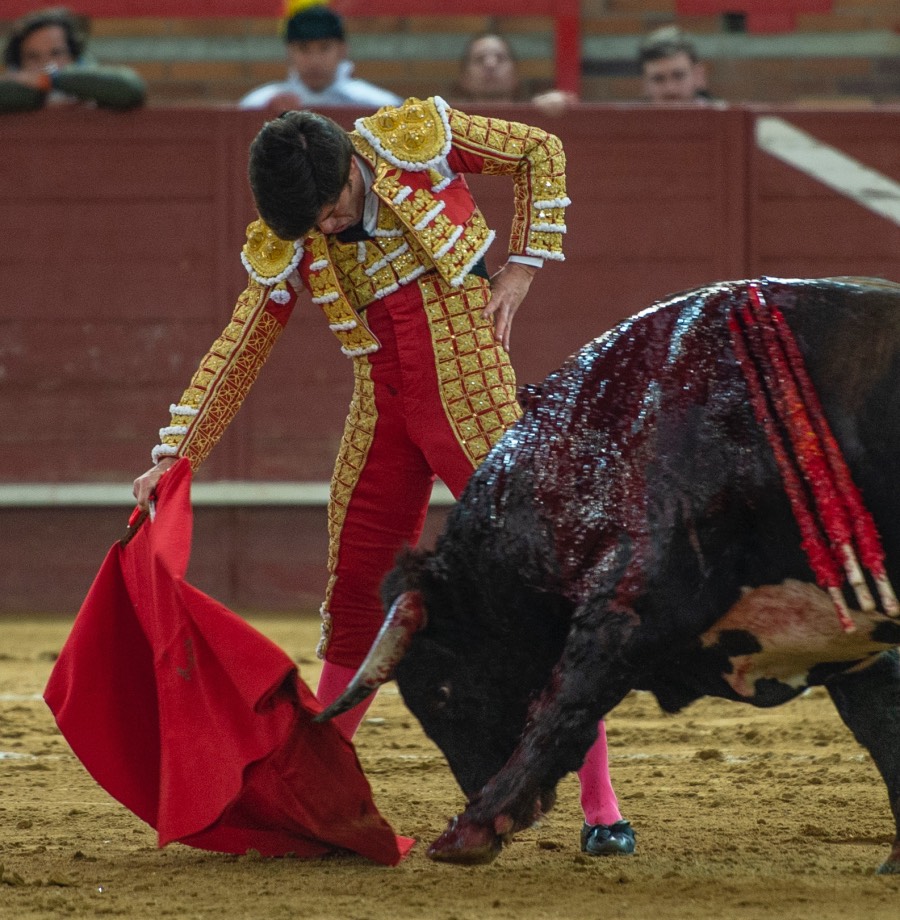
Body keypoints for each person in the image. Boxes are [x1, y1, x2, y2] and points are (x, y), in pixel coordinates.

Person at [132, 94, 634, 857]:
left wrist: (523, 268)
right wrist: (176, 453)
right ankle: (316, 783)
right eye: (311, 227)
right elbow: (242, 342)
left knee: (545, 582)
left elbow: (538, 150)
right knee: (355, 593)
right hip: (383, 406)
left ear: (349, 168)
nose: (326, 231)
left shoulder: (413, 140)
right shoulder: (297, 230)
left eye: (331, 211)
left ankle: (602, 806)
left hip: (472, 390)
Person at [239, 2, 400, 111]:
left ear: (342, 50)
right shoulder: (260, 104)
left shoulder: (377, 106)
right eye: (304, 49)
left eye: (324, 48)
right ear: (289, 52)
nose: (314, 61)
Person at [0, 6, 145, 113]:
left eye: (56, 54)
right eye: (33, 57)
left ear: (74, 56)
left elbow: (130, 88)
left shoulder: (94, 82)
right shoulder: (14, 87)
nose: (46, 64)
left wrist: (50, 81)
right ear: (19, 63)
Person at [449, 32, 577, 117]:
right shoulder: (448, 122)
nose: (490, 64)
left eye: (500, 58)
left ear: (516, 75)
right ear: (463, 77)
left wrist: (563, 106)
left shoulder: (537, 116)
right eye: (479, 59)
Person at [638, 25, 719, 105]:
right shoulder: (631, 118)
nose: (670, 89)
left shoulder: (724, 117)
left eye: (679, 76)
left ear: (698, 76)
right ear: (645, 84)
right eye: (658, 79)